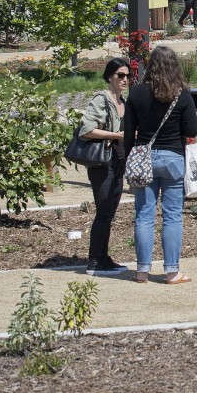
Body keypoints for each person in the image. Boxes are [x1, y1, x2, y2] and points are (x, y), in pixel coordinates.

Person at [124, 45, 197, 283]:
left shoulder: (136, 93)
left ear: (150, 65)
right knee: (173, 216)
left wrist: (129, 158)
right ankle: (172, 272)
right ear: (174, 66)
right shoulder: (182, 94)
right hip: (173, 158)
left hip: (144, 157)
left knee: (144, 215)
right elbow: (191, 131)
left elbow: (128, 132)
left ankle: (142, 271)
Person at [78, 57, 132, 275]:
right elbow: (86, 130)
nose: (125, 80)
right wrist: (116, 135)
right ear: (110, 76)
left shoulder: (123, 102)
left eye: (128, 76)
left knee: (109, 211)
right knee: (103, 211)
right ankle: (93, 261)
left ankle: (103, 257)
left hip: (118, 162)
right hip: (102, 163)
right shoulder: (102, 100)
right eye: (120, 75)